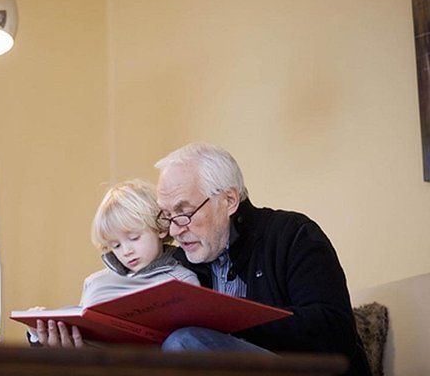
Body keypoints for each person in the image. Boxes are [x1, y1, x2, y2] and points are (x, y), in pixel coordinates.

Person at [154, 142, 371, 376]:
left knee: (183, 343)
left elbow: (336, 333)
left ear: (229, 200)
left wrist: (230, 319)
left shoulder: (293, 234)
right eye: (167, 216)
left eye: (184, 213)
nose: (175, 231)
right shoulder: (180, 263)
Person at [30, 179, 199, 347]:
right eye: (115, 245)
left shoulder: (182, 281)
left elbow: (188, 341)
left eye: (134, 238)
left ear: (160, 228)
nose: (126, 251)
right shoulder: (95, 283)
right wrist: (40, 332)